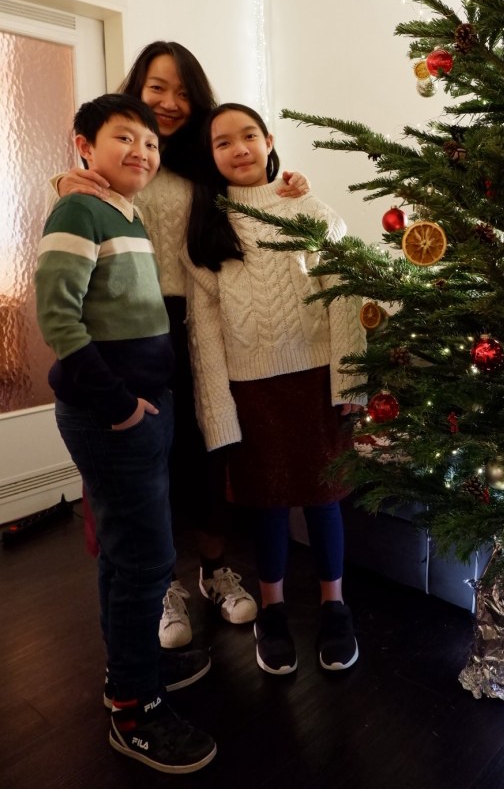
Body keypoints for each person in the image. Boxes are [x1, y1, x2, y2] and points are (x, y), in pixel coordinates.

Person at [55, 41, 310, 649]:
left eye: (183, 91)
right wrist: (61, 179)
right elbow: (76, 213)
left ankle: (214, 570)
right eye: (157, 88)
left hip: (205, 320)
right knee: (147, 462)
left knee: (207, 450)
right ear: (136, 90)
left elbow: (253, 192)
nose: (170, 102)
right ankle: (164, 585)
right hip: (133, 327)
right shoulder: (120, 160)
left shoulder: (205, 160)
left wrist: (290, 182)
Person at [35, 94, 216, 773]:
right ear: (84, 145)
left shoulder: (124, 211)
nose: (142, 151)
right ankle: (135, 710)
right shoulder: (79, 209)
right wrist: (117, 405)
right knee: (145, 560)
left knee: (126, 554)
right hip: (111, 415)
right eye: (124, 138)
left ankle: (132, 671)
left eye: (151, 142)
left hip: (140, 410)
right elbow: (58, 317)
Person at [183, 103, 366, 676]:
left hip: (314, 380)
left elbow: (343, 285)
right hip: (250, 391)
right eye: (223, 142)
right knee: (266, 505)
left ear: (268, 141)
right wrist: (219, 413)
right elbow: (205, 335)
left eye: (248, 136)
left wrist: (351, 381)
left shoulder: (301, 206)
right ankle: (273, 611)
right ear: (210, 156)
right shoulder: (207, 231)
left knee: (324, 499)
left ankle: (334, 608)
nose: (238, 148)